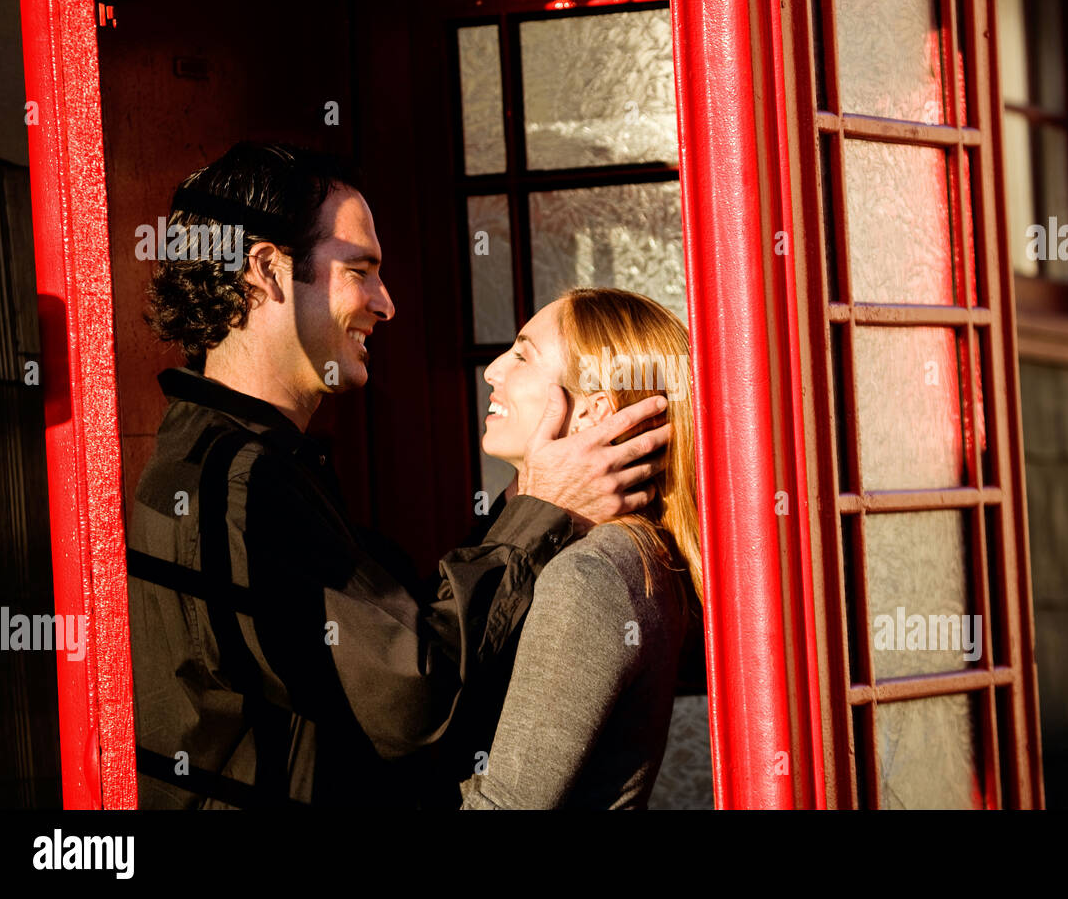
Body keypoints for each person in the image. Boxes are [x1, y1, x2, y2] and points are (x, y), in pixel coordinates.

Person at [126, 143, 670, 808]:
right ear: (267, 271)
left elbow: (399, 640)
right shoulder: (237, 485)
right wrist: (541, 513)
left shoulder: (251, 463)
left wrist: (530, 504)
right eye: (360, 270)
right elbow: (414, 695)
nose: (385, 304)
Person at [459, 287, 702, 809]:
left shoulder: (590, 575)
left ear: (594, 413)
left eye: (523, 355)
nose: (493, 370)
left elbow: (503, 804)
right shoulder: (631, 554)